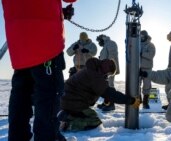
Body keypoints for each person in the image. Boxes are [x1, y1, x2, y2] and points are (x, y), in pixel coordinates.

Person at [2, 0, 76, 141]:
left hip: (19, 45)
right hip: (46, 45)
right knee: (47, 108)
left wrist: (56, 14)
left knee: (20, 104)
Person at [58, 58, 140, 131]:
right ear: (107, 70)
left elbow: (99, 88)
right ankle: (67, 125)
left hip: (68, 101)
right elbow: (110, 93)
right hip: (73, 103)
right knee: (94, 121)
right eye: (108, 74)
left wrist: (106, 97)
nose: (107, 76)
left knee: (88, 115)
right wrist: (131, 100)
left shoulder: (91, 69)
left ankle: (67, 115)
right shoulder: (94, 75)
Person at [96, 34, 120, 111]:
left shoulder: (111, 43)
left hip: (110, 69)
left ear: (102, 39)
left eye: (99, 41)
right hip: (106, 69)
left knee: (110, 85)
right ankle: (106, 103)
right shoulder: (106, 45)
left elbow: (112, 56)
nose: (99, 43)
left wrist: (108, 68)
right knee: (106, 86)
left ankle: (111, 104)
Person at [139, 30, 156, 109]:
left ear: (146, 36)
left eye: (143, 36)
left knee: (147, 86)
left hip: (147, 69)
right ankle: (139, 100)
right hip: (137, 68)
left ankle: (145, 102)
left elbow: (151, 55)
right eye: (140, 36)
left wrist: (142, 53)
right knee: (136, 85)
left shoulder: (150, 45)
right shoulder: (137, 43)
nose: (141, 38)